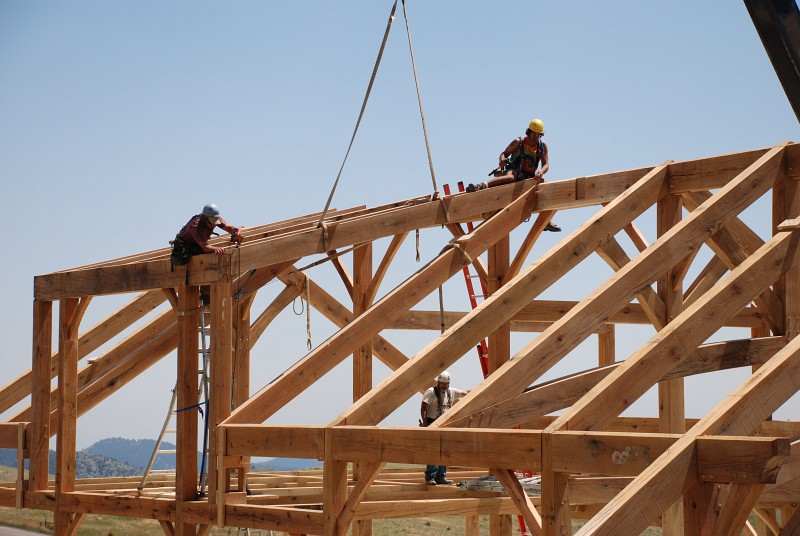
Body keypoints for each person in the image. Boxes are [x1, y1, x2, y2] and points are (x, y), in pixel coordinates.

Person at [467, 118, 561, 232]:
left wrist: (540, 173)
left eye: (538, 135)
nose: (535, 137)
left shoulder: (542, 146)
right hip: (515, 170)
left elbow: (546, 164)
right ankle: (481, 186)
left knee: (549, 187)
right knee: (511, 178)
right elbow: (504, 154)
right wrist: (502, 160)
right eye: (533, 134)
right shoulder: (519, 141)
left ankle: (545, 221)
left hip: (530, 176)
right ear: (529, 132)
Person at [171, 203, 244, 303]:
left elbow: (227, 227)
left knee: (212, 257)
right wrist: (216, 249)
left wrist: (235, 232)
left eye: (215, 222)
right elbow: (205, 247)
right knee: (209, 260)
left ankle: (208, 296)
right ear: (204, 219)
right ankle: (206, 297)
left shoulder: (215, 218)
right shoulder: (195, 225)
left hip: (198, 244)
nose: (213, 225)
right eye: (211, 223)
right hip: (185, 246)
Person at [420, 370, 469, 485]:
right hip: (433, 423)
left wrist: (477, 391)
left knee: (444, 451)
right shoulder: (431, 392)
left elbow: (464, 393)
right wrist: (425, 423)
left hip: (445, 424)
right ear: (438, 382)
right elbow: (423, 408)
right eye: (442, 384)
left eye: (446, 384)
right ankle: (430, 477)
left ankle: (441, 477)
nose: (444, 386)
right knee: (433, 451)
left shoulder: (450, 391)